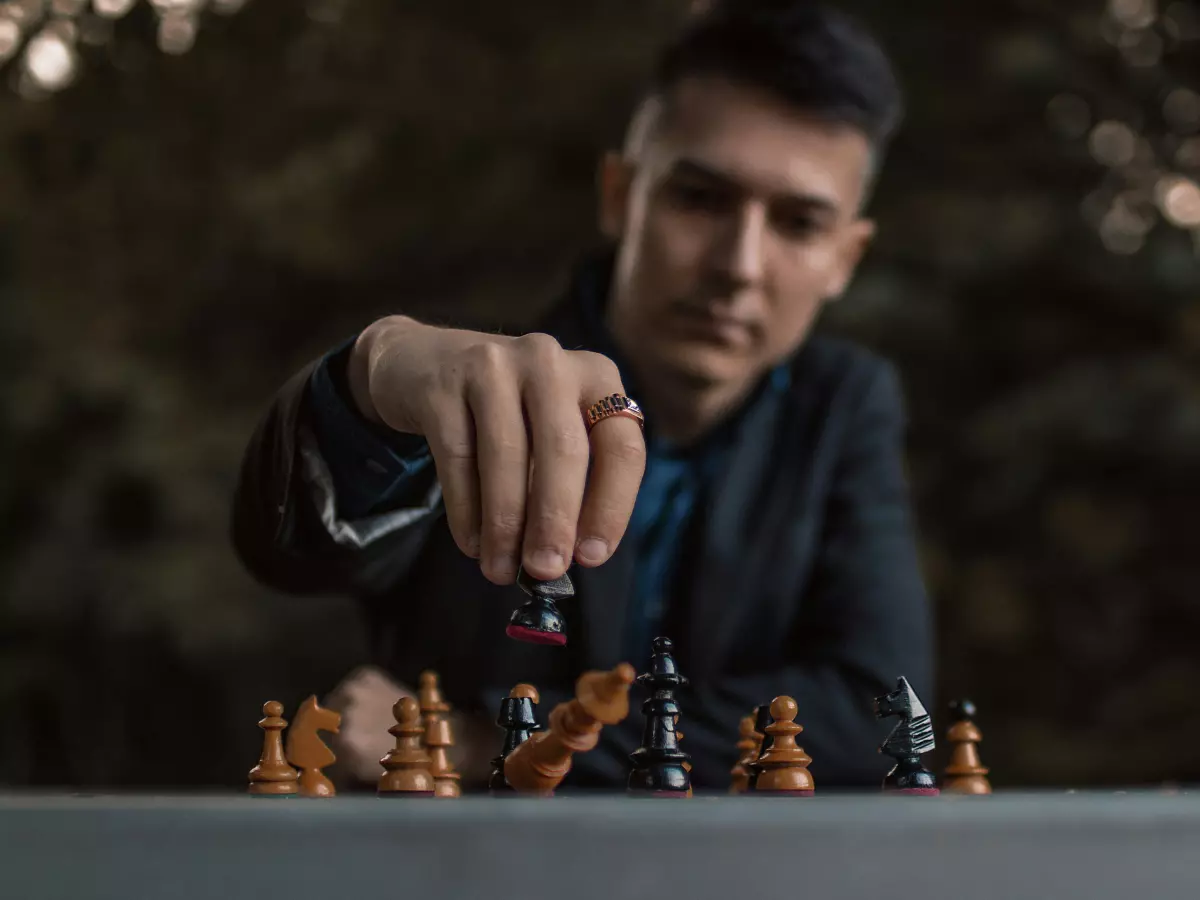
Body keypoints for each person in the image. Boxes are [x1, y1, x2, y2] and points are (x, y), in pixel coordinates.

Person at [231, 0, 932, 790]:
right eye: (699, 199)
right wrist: (367, 383)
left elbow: (878, 710)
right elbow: (285, 550)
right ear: (619, 196)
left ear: (847, 257)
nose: (739, 264)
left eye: (799, 224)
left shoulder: (844, 406)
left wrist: (492, 740)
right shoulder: (479, 380)